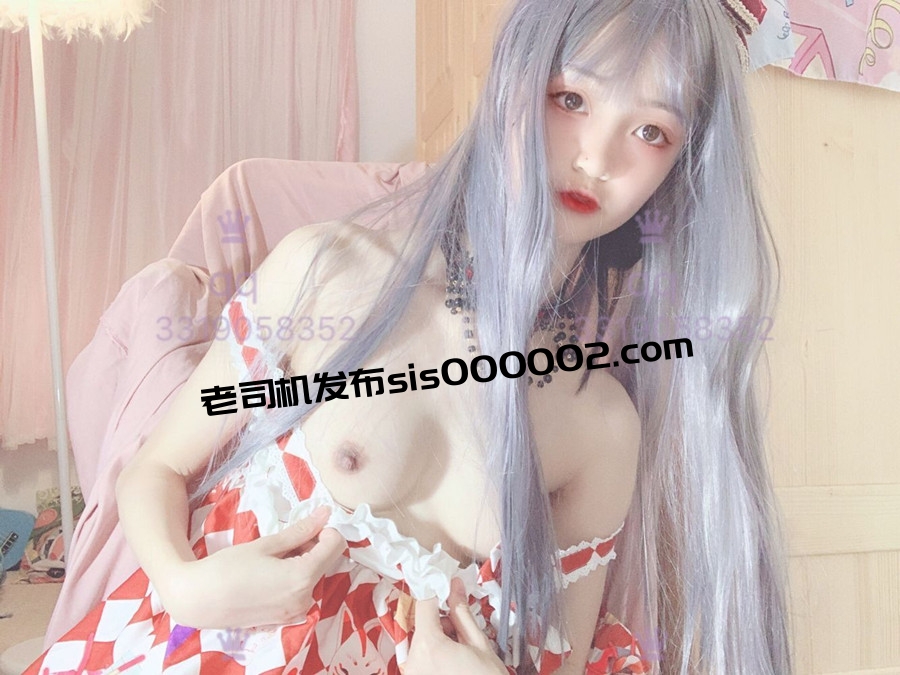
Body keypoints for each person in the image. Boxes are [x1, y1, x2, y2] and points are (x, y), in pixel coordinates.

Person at [25, 0, 792, 673]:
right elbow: (158, 465)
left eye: (651, 130)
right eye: (571, 97)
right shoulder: (330, 273)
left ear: (682, 165)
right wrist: (182, 582)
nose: (596, 157)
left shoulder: (598, 425)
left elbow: (560, 657)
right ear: (514, 81)